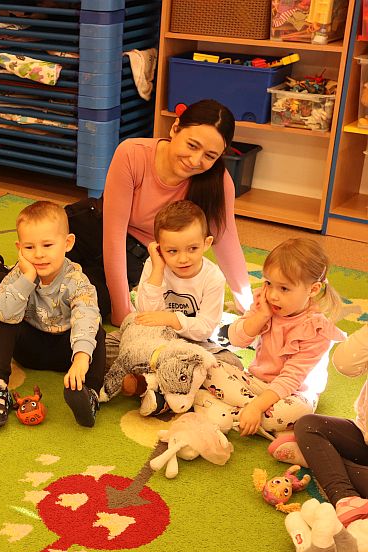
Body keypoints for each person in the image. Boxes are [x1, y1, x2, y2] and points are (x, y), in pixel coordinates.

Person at [66, 98, 252, 326]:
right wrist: (122, 311)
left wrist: (248, 308)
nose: (195, 160)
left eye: (210, 156)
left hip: (136, 257)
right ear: (175, 128)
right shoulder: (132, 153)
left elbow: (227, 243)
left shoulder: (218, 183)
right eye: (192, 145)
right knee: (39, 267)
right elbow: (113, 235)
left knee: (83, 302)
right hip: (90, 227)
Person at [0, 200, 104, 429]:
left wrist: (80, 359)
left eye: (47, 245)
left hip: (67, 353)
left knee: (96, 329)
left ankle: (91, 394)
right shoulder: (20, 274)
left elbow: (86, 316)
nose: (38, 255)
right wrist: (27, 278)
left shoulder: (77, 280)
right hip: (29, 349)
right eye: (29, 247)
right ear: (19, 248)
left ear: (67, 243)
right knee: (3, 320)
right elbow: (3, 312)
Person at [194, 238, 345, 436]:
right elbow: (236, 340)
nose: (273, 295)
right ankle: (245, 416)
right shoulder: (265, 304)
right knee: (209, 366)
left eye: (284, 288)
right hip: (256, 381)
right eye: (268, 283)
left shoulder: (316, 330)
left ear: (313, 289)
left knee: (294, 413)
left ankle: (220, 408)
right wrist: (262, 316)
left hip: (293, 394)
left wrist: (257, 407)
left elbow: (291, 379)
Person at [269, 324, 368, 527]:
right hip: (363, 433)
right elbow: (345, 364)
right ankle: (345, 498)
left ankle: (316, 458)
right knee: (308, 424)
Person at [129, 200, 241, 368]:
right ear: (159, 249)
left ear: (207, 243)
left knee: (232, 363)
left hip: (194, 342)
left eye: (192, 249)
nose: (183, 259)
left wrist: (171, 319)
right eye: (172, 251)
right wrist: (158, 269)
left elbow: (205, 328)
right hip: (154, 338)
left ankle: (165, 372)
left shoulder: (213, 277)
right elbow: (145, 313)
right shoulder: (154, 264)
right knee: (110, 344)